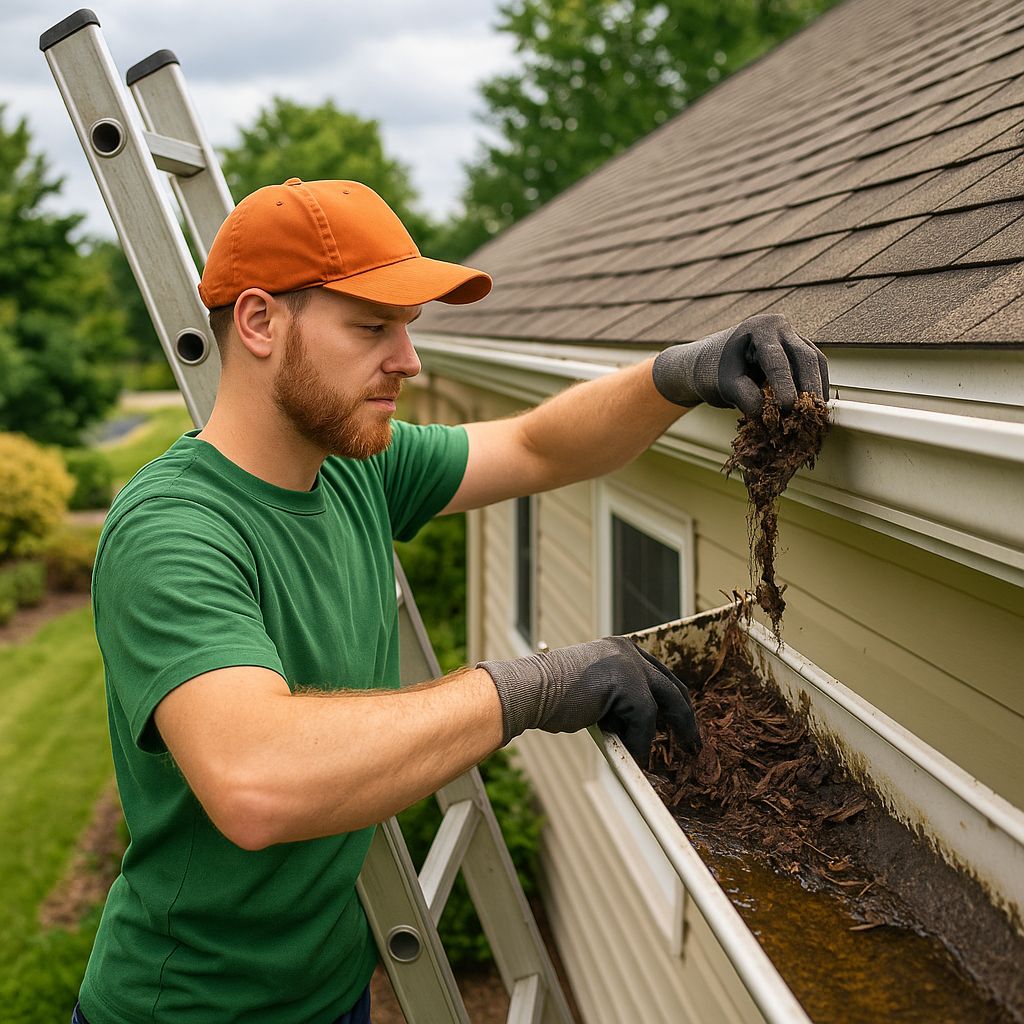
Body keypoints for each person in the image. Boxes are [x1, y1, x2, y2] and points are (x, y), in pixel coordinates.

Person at [73, 177, 828, 1024]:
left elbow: (536, 445)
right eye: (372, 328)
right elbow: (257, 782)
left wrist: (683, 371)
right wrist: (531, 689)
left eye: (406, 329)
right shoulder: (174, 530)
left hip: (330, 994)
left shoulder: (354, 470)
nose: (408, 360)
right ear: (258, 323)